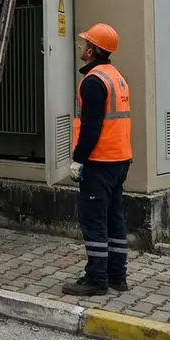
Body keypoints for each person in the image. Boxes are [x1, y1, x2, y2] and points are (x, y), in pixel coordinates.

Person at [61, 23, 132, 297]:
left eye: (84, 44)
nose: (81, 47)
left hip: (99, 162)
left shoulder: (94, 82)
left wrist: (78, 160)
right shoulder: (117, 77)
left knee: (93, 221)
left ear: (92, 50)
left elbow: (91, 127)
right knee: (115, 218)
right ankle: (117, 276)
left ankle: (96, 278)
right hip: (119, 161)